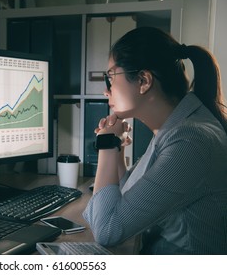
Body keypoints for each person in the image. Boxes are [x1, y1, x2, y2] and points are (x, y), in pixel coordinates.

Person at [83, 26, 227, 254]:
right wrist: (117, 147)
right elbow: (127, 195)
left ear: (143, 80)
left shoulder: (190, 142)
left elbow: (107, 230)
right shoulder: (175, 128)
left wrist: (107, 145)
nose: (105, 91)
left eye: (110, 78)